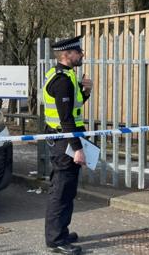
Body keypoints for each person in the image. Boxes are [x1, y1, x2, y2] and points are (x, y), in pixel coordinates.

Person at [43, 36, 92, 255]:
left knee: (68, 189)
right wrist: (78, 148)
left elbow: (74, 108)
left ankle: (61, 231)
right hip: (64, 141)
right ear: (66, 55)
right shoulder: (61, 80)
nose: (81, 54)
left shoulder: (66, 76)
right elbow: (66, 119)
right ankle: (55, 239)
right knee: (61, 190)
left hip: (66, 139)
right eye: (78, 51)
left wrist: (85, 92)